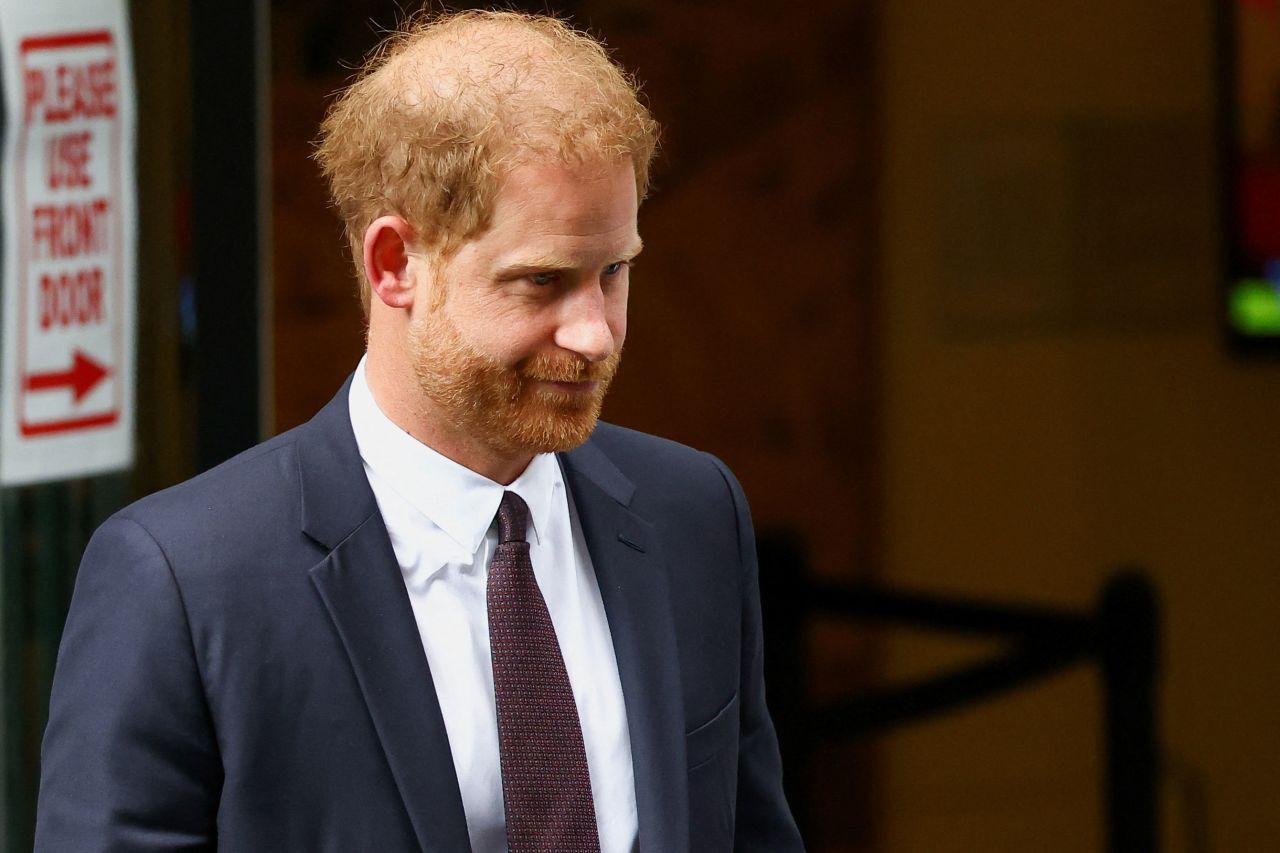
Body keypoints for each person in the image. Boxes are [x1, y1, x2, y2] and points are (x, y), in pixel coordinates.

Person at [34, 10, 803, 852]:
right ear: (394, 264)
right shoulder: (184, 580)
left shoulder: (693, 515)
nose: (596, 333)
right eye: (542, 281)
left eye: (613, 271)